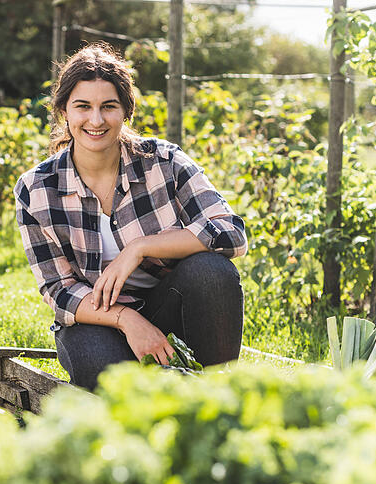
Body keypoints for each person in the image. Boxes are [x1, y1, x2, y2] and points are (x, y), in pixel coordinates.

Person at [14, 43, 248, 389]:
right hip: (99, 319)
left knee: (212, 272)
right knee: (101, 366)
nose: (96, 120)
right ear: (64, 111)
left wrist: (138, 247)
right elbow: (58, 290)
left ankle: (214, 395)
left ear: (126, 111)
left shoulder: (164, 162)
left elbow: (231, 234)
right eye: (83, 107)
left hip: (170, 307)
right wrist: (127, 321)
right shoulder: (37, 189)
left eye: (108, 107)